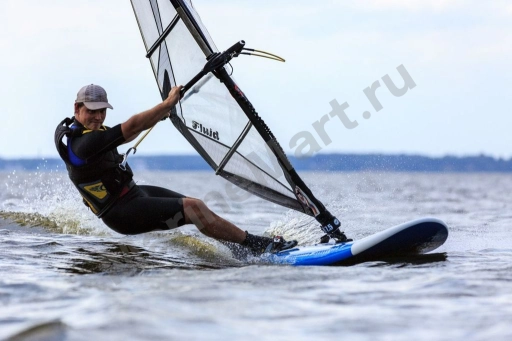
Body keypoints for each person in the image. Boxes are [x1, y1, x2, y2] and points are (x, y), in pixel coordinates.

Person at [54, 84, 297, 255]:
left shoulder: (93, 133)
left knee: (194, 205)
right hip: (121, 213)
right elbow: (132, 126)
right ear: (77, 108)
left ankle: (238, 247)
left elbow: (126, 135)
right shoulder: (82, 145)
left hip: (132, 195)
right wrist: (167, 104)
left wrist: (159, 115)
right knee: (194, 209)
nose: (98, 117)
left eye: (102, 111)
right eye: (91, 111)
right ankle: (257, 245)